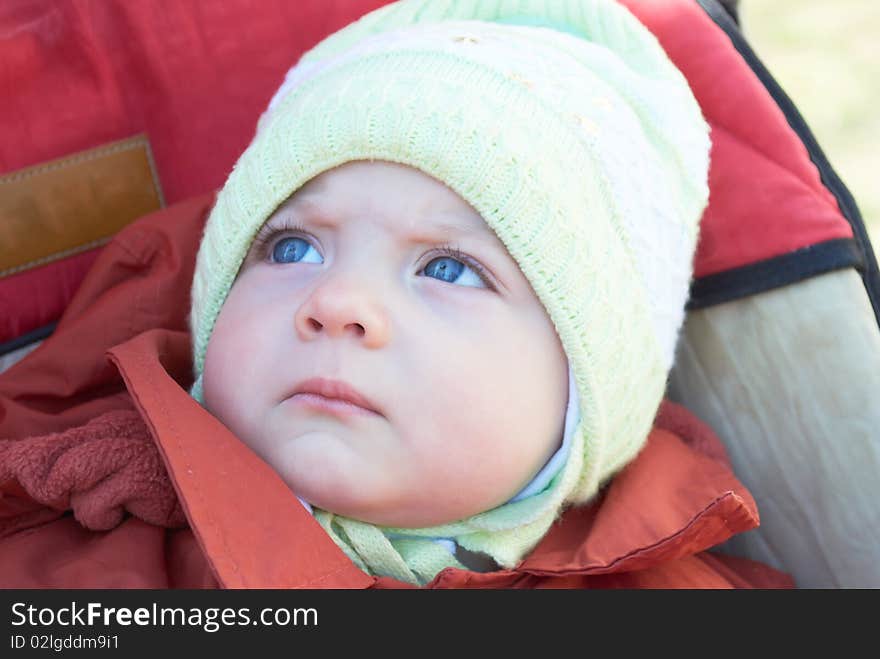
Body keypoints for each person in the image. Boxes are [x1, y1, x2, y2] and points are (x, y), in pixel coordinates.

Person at [0, 0, 792, 589]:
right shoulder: (77, 573)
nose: (339, 300)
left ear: (589, 390)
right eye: (292, 247)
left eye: (447, 268)